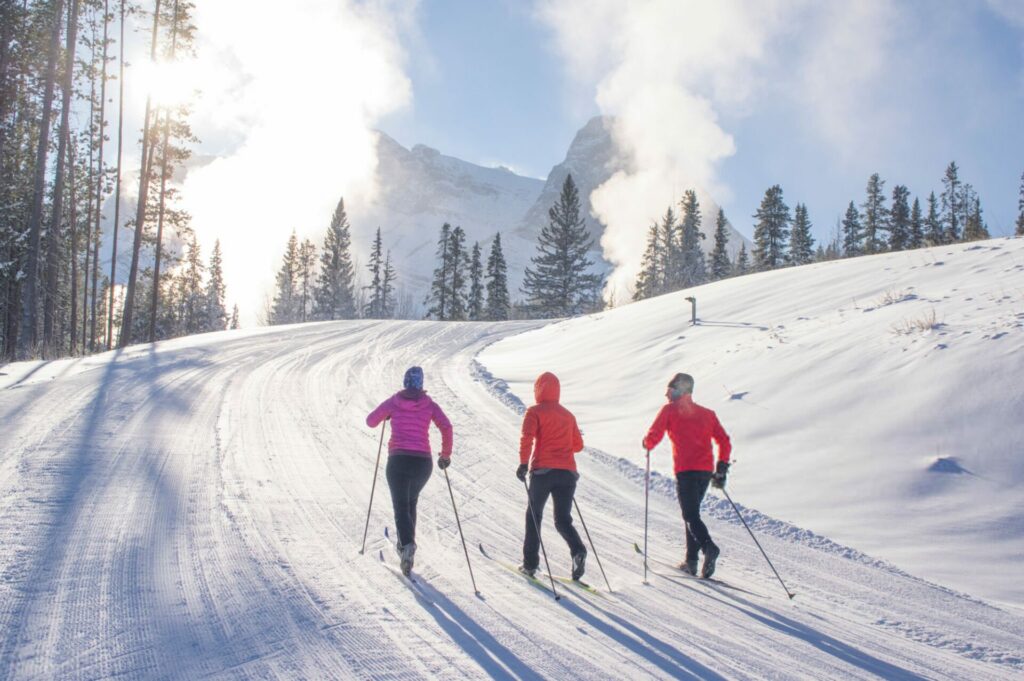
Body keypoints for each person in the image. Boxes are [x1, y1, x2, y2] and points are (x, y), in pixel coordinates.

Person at [642, 372, 731, 578]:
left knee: (690, 515)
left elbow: (654, 435)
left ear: (680, 390)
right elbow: (724, 441)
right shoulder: (707, 414)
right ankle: (691, 561)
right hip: (705, 471)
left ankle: (709, 548)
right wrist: (721, 469)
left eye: (670, 391)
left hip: (686, 470)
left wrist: (647, 443)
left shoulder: (670, 410)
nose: (667, 395)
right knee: (693, 515)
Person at [366, 366, 453, 575]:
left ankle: (406, 546)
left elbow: (370, 421)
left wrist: (387, 416)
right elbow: (447, 427)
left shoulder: (394, 402)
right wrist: (445, 455)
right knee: (410, 501)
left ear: (405, 382)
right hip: (422, 463)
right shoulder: (429, 404)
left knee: (400, 505)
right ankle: (407, 547)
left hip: (398, 460)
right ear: (421, 383)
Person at [517, 371, 588, 581]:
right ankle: (578, 551)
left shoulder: (534, 411)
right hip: (567, 473)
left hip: (543, 472)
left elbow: (527, 438)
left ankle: (530, 564)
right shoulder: (568, 415)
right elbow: (578, 445)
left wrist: (522, 463)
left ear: (538, 389)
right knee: (563, 520)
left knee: (534, 515)